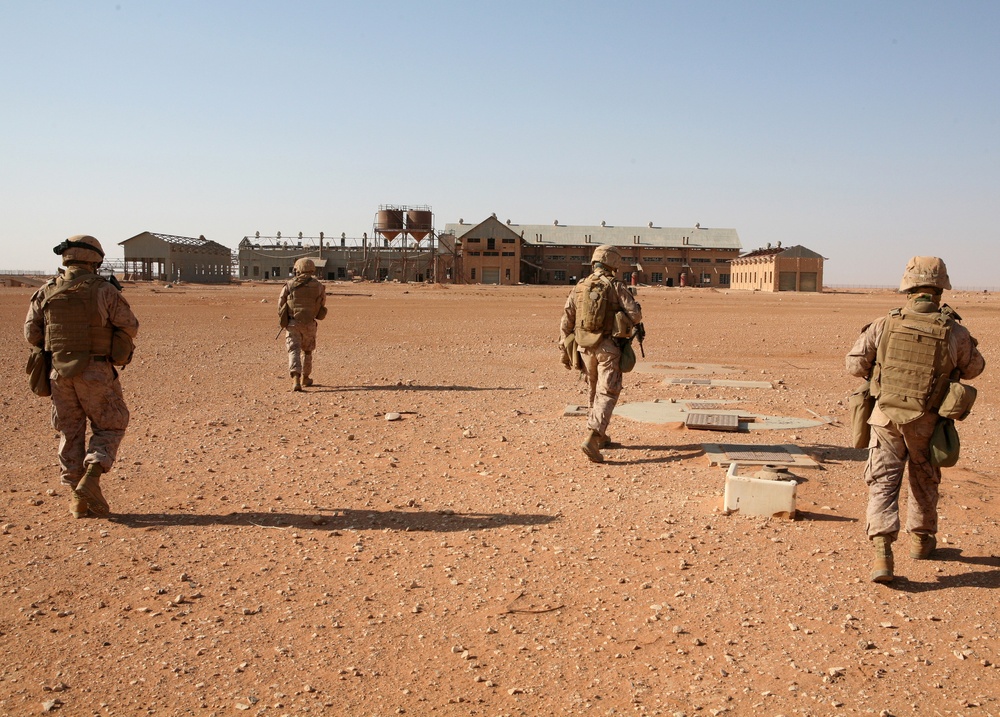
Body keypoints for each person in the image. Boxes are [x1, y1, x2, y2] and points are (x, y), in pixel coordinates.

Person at [846, 256, 985, 583]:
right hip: (928, 422)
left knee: (883, 483)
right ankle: (921, 541)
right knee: (924, 480)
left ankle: (883, 554)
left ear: (908, 287)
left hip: (885, 419)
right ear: (940, 289)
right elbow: (975, 369)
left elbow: (854, 366)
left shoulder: (883, 324)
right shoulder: (955, 331)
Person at [24, 235, 140, 518]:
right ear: (95, 260)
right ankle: (92, 477)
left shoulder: (47, 290)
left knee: (70, 431)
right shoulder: (103, 290)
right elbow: (130, 325)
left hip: (59, 373)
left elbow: (31, 333)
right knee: (111, 424)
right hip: (95, 370)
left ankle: (78, 499)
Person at [560, 244, 643, 463]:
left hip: (585, 347)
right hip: (608, 348)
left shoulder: (580, 286)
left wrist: (564, 349)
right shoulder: (615, 285)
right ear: (614, 263)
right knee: (607, 392)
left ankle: (601, 435)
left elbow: (567, 319)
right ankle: (593, 437)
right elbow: (635, 315)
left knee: (593, 390)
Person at [278, 258, 327, 391]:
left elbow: (281, 304)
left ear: (298, 268)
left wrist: (285, 318)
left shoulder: (289, 284)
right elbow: (322, 304)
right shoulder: (319, 286)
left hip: (293, 322)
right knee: (308, 351)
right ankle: (306, 378)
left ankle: (295, 380)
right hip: (310, 323)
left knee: (293, 350)